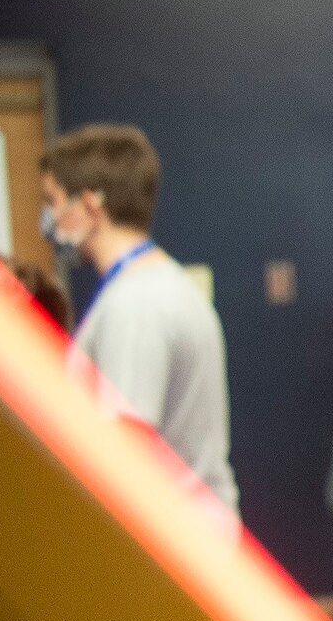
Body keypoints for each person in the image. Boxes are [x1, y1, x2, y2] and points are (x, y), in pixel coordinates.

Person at [40, 124, 238, 519]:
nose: (48, 218)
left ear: (90, 205)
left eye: (53, 200)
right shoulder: (160, 286)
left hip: (172, 540)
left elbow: (126, 443)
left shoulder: (135, 305)